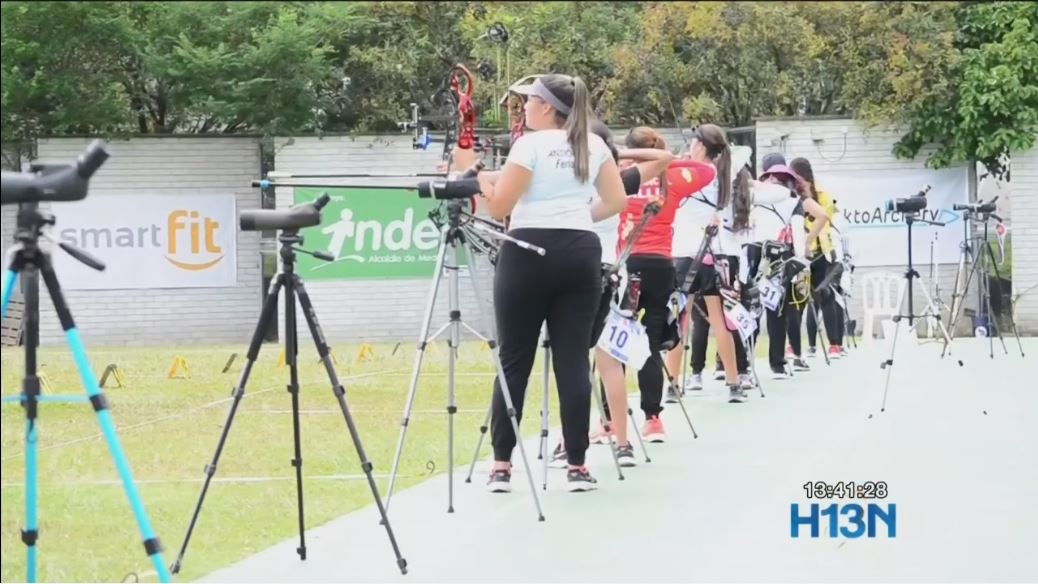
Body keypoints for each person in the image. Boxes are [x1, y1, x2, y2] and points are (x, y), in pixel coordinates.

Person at [476, 74, 627, 493]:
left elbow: (499, 207)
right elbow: (617, 201)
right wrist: (576, 218)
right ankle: (577, 464)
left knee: (514, 359)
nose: (523, 107)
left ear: (546, 107)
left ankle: (502, 465)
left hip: (527, 250)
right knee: (573, 359)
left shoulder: (529, 145)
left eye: (529, 101)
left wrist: (480, 179)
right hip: (580, 251)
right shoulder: (592, 144)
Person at [546, 120, 675, 468]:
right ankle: (622, 443)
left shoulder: (579, 181)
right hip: (610, 272)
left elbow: (664, 158)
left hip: (588, 273)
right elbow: (663, 157)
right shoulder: (614, 179)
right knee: (608, 363)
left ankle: (569, 442)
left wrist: (614, 151)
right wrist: (616, 152)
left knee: (574, 362)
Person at [663, 124, 746, 405]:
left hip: (685, 255)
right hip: (712, 255)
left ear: (700, 146)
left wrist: (684, 157)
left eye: (694, 142)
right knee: (719, 321)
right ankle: (734, 383)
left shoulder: (693, 172)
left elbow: (668, 167)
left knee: (680, 320)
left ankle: (672, 385)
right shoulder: (720, 175)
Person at [751, 156, 829, 378]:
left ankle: (743, 366)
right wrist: (801, 257)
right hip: (780, 255)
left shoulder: (755, 196)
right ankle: (777, 364)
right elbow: (797, 232)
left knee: (751, 308)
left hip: (754, 252)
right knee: (778, 310)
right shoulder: (793, 199)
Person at [791, 157, 843, 360]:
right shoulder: (792, 197)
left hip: (821, 252)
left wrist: (809, 239)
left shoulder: (823, 196)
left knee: (825, 296)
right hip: (801, 256)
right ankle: (793, 345)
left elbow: (823, 220)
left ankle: (834, 345)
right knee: (799, 298)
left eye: (795, 177)